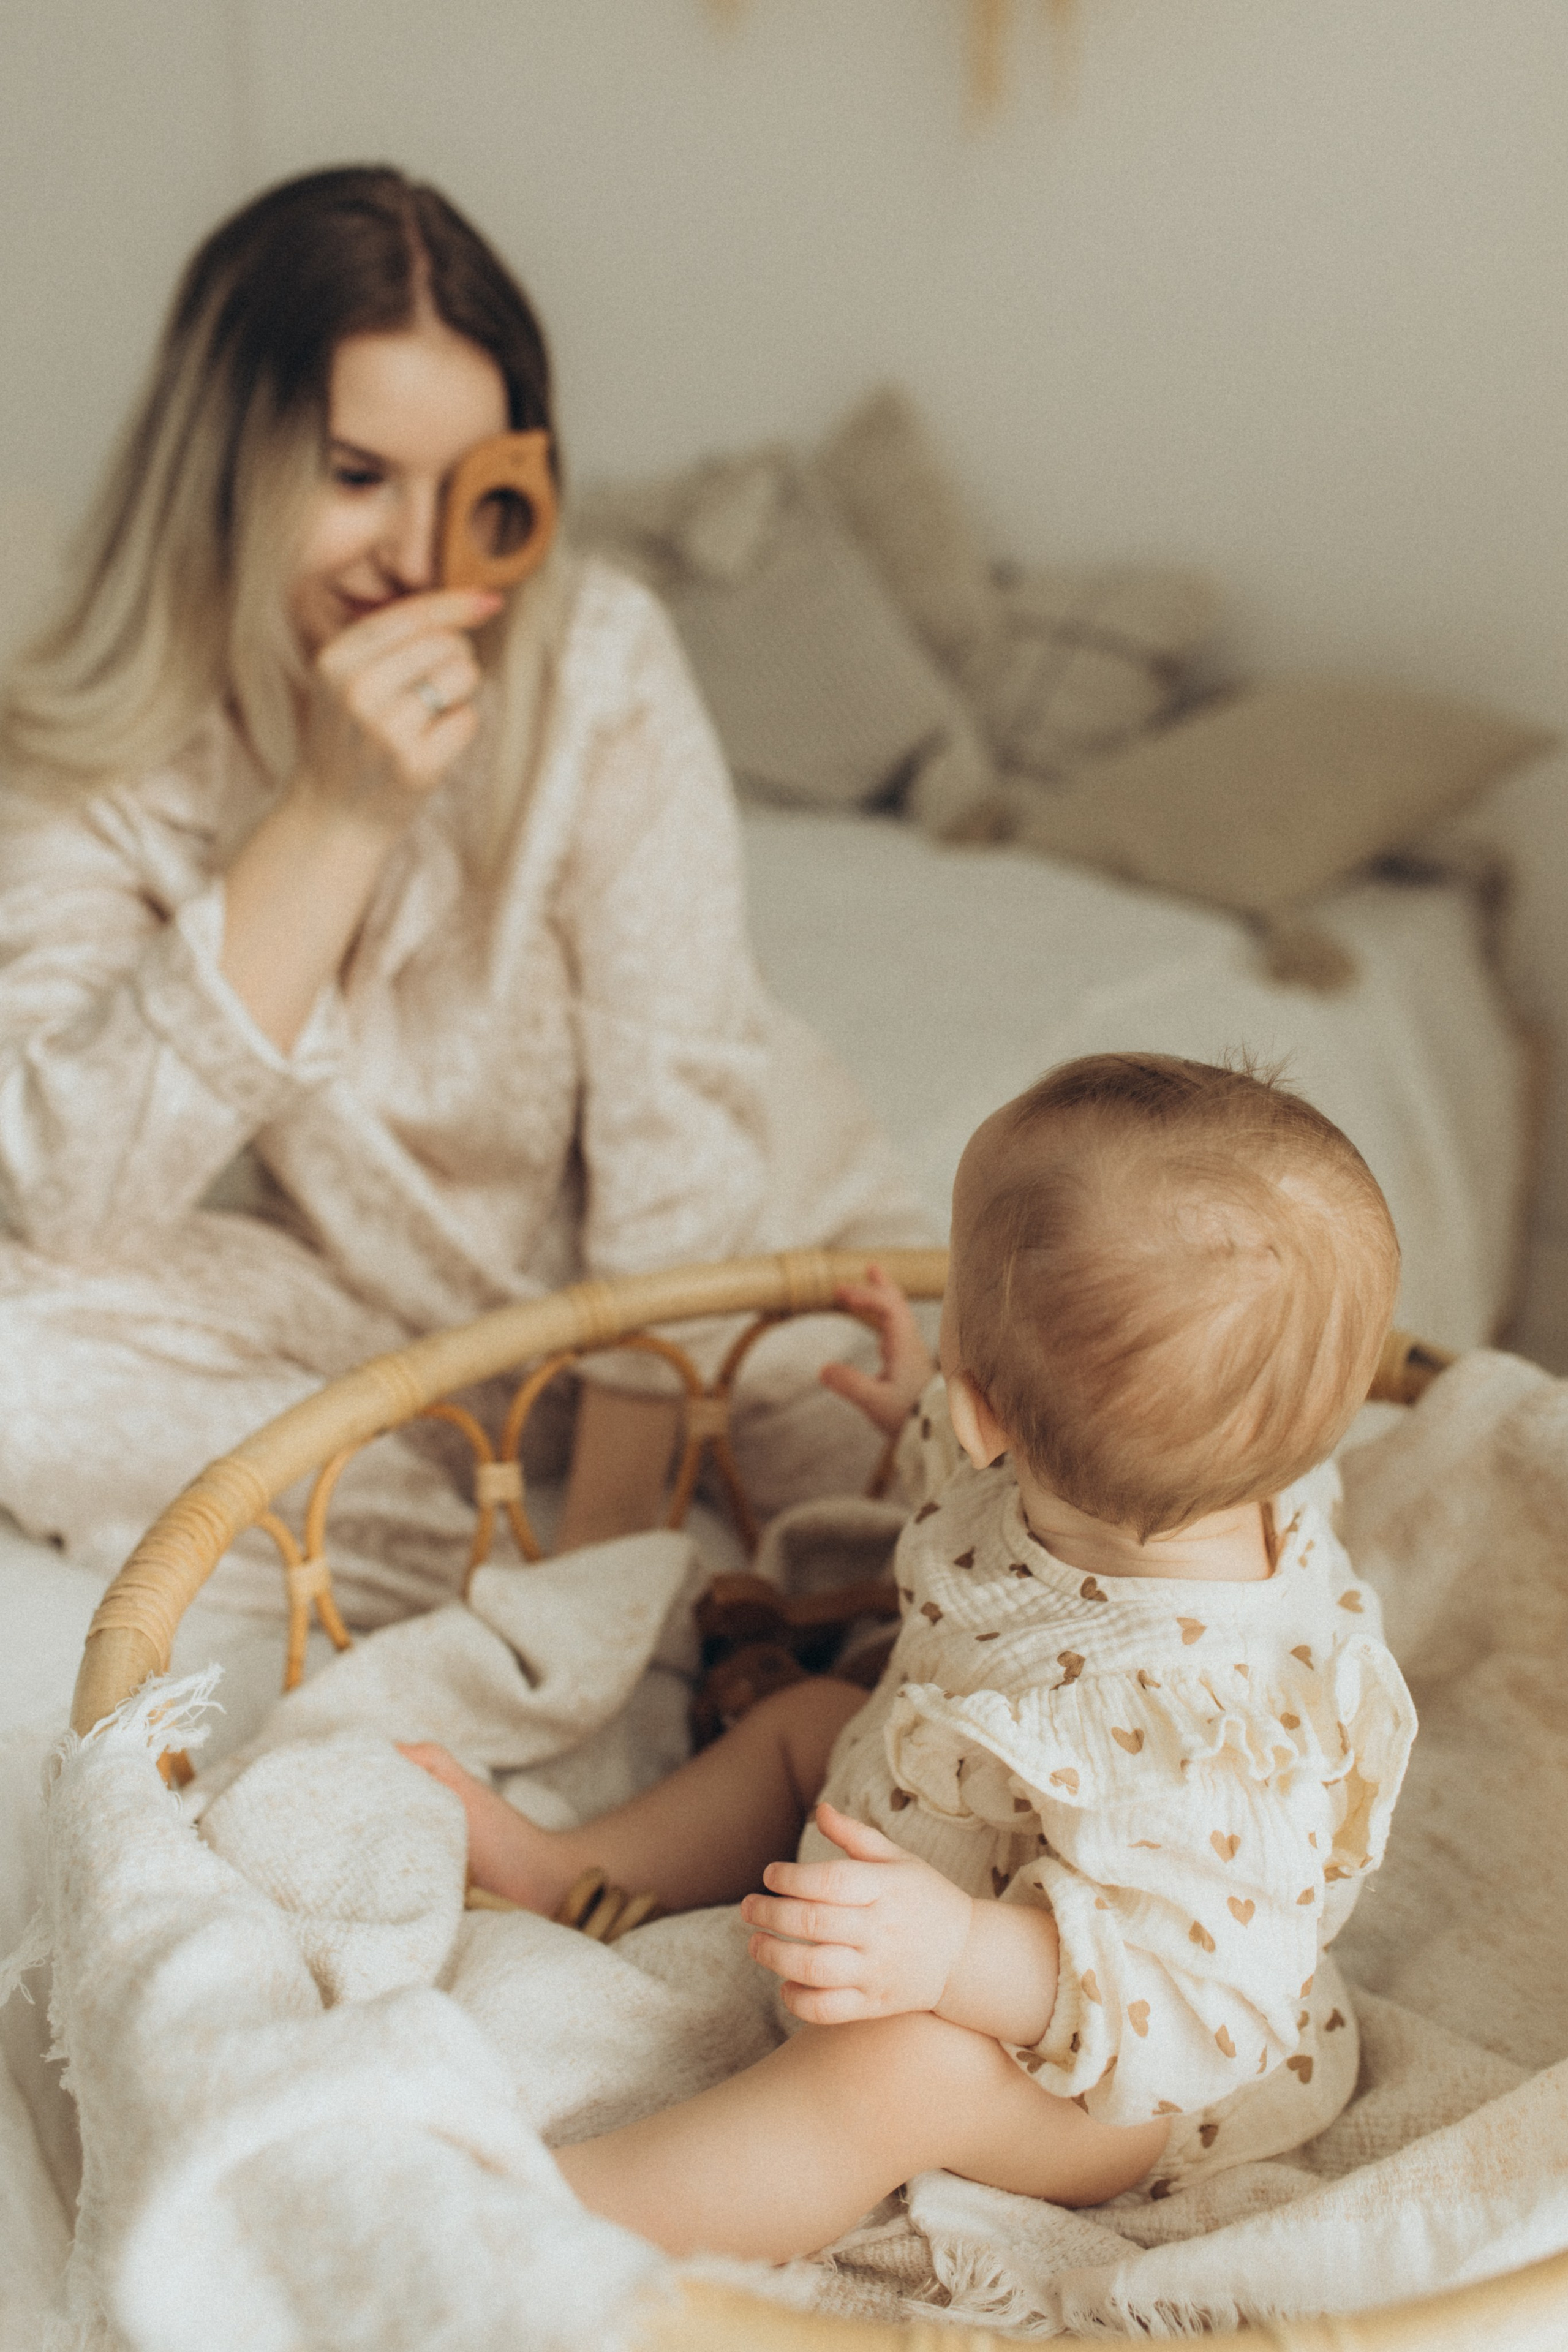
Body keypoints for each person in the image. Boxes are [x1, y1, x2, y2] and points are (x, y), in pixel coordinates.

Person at [0, 167, 927, 1613]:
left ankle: (491, 1571)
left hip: (734, 1291)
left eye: (470, 489)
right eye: (357, 478)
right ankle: (441, 1549)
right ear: (222, 463)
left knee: (1052, 1466)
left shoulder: (596, 666)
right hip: (399, 1342)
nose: (423, 561)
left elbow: (680, 1187)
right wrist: (331, 818)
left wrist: (596, 1612)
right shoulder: (96, 742)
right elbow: (68, 1202)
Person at [405, 1052, 1418, 2262]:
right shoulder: (1145, 1478)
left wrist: (956, 1955)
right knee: (806, 1725)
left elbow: (1201, 2002)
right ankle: (579, 1870)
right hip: (943, 1844)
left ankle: (533, 2220)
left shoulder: (1202, 1739)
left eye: (952, 1366)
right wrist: (917, 1418)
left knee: (893, 2073)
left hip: (1122, 2076)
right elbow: (1030, 1477)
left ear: (986, 1409)